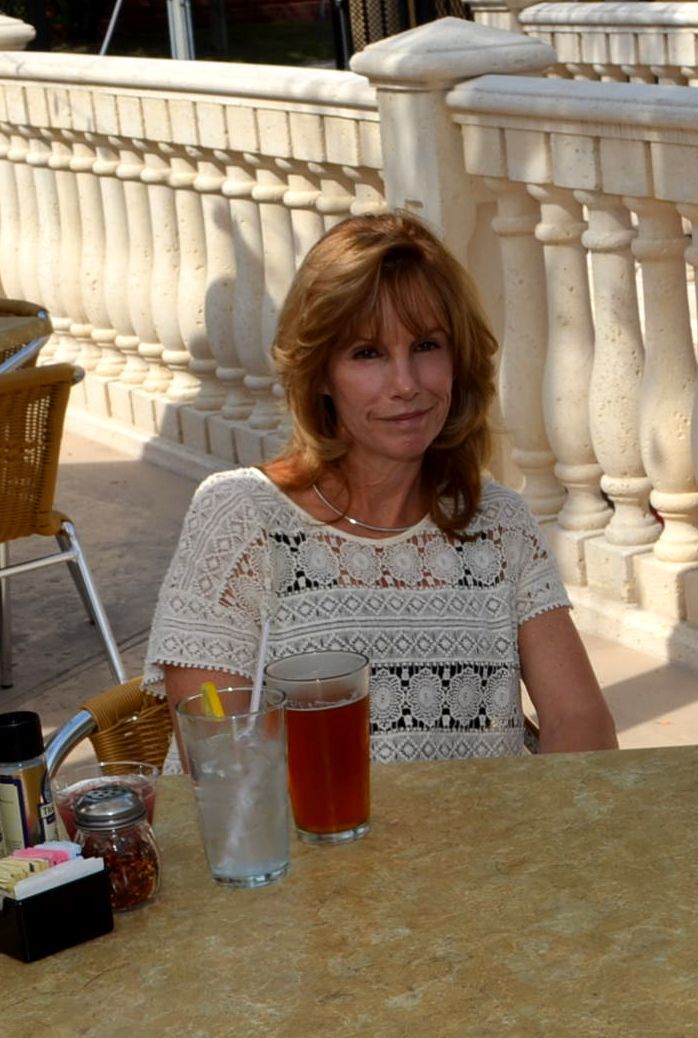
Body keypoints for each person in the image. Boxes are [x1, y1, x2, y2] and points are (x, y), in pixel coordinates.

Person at [144, 210, 618, 759]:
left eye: (427, 346)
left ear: (458, 359)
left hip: (479, 819)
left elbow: (579, 719)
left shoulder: (498, 523)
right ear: (319, 373)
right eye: (367, 353)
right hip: (297, 818)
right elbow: (220, 761)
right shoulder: (240, 520)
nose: (405, 384)